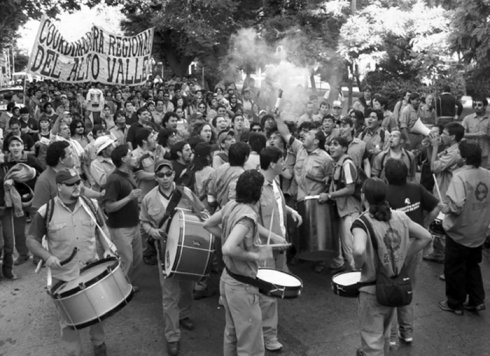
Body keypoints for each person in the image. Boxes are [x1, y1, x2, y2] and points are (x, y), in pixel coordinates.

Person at [26, 169, 114, 356]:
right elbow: (31, 240)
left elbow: (102, 228)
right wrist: (47, 257)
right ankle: (74, 353)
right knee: (68, 322)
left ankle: (99, 344)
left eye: (78, 182)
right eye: (71, 184)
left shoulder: (92, 204)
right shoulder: (46, 211)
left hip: (91, 270)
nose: (77, 186)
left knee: (97, 311)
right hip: (63, 277)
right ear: (59, 187)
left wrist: (107, 247)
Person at [352, 178, 431, 356]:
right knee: (385, 336)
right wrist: (402, 255)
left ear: (364, 196)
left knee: (372, 342)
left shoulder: (362, 223)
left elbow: (357, 250)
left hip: (371, 290)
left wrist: (358, 264)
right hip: (394, 286)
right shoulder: (400, 217)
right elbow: (426, 236)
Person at [203, 170, 278, 356]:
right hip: (242, 287)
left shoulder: (231, 204)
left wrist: (273, 237)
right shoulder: (247, 216)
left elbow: (208, 224)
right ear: (258, 192)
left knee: (232, 333)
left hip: (228, 279)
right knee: (250, 343)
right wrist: (255, 255)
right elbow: (228, 248)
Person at [140, 159, 208, 356]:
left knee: (187, 287)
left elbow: (201, 211)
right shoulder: (148, 199)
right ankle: (172, 336)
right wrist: (151, 231)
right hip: (165, 252)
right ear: (155, 178)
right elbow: (144, 221)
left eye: (168, 174)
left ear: (173, 174)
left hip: (188, 250)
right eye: (160, 175)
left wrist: (206, 221)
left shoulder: (185, 193)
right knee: (169, 295)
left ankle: (184, 314)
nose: (165, 178)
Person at [384, 158, 440, 345]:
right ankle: (407, 333)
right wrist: (424, 225)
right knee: (407, 288)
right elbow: (437, 206)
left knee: (390, 290)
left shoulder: (385, 193)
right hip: (416, 245)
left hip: (394, 248)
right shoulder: (416, 188)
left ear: (386, 175)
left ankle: (391, 338)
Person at [257, 147, 302, 352]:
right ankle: (268, 336)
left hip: (279, 246)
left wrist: (290, 210)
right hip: (265, 248)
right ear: (272, 164)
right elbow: (250, 221)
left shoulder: (275, 181)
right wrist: (274, 237)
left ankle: (267, 329)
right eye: (281, 159)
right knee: (267, 294)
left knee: (274, 291)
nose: (285, 162)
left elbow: (276, 205)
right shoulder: (256, 186)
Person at [438, 142, 490, 315]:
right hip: (479, 229)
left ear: (463, 157)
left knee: (454, 268)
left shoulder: (460, 177)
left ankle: (455, 303)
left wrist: (445, 208)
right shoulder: (487, 174)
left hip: (460, 231)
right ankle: (477, 300)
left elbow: (457, 206)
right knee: (472, 265)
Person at [103, 144, 143, 285]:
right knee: (127, 261)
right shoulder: (114, 179)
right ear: (123, 159)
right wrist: (129, 198)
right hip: (120, 228)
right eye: (131, 154)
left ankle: (128, 285)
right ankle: (119, 291)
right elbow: (108, 207)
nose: (134, 157)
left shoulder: (128, 174)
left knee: (137, 259)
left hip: (134, 224)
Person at [322, 136, 362, 271]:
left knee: (351, 249)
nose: (331, 147)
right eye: (330, 145)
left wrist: (329, 195)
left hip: (350, 211)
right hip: (343, 211)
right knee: (346, 247)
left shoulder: (347, 164)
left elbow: (350, 189)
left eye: (335, 144)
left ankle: (359, 278)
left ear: (344, 148)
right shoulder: (338, 164)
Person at [462, 96, 489, 169]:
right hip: (470, 153)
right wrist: (477, 134)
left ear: (485, 106)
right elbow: (461, 134)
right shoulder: (467, 118)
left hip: (485, 154)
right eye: (475, 105)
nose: (476, 107)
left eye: (479, 105)